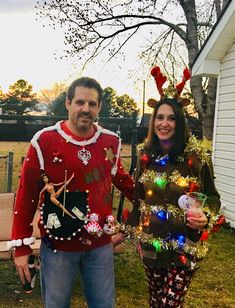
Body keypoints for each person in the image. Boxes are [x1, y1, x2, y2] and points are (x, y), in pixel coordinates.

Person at [10, 77, 134, 308]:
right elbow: (27, 194)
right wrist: (21, 245)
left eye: (92, 104)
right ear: (68, 103)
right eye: (80, 102)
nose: (86, 109)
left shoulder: (111, 142)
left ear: (99, 108)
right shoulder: (44, 141)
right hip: (58, 247)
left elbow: (121, 180)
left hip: (99, 247)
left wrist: (155, 197)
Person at [124, 66, 221, 307]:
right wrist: (126, 231)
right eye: (159, 117)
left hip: (184, 246)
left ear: (180, 122)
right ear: (152, 120)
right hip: (151, 245)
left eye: (171, 118)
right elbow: (138, 200)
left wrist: (205, 218)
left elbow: (212, 197)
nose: (164, 123)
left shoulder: (197, 157)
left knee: (170, 304)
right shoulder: (145, 156)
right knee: (156, 301)